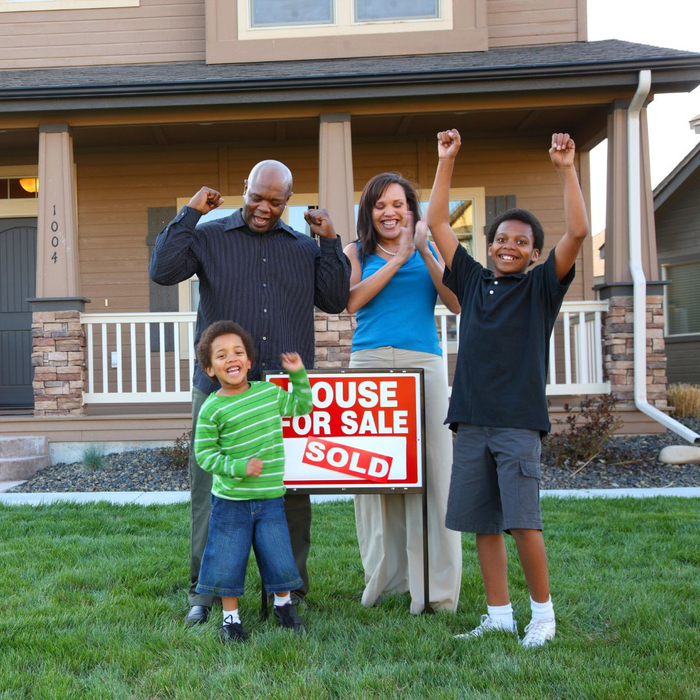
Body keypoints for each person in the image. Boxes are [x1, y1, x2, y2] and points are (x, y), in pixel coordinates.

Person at [149, 160, 350, 625]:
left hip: (282, 389)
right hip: (221, 389)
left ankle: (290, 588)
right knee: (212, 492)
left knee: (291, 490)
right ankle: (206, 591)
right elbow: (162, 271)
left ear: (289, 200)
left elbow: (336, 299)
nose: (264, 208)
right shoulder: (209, 235)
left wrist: (329, 240)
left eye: (276, 202)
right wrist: (190, 214)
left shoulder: (304, 247)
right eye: (257, 197)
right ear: (245, 188)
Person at [426, 129, 588, 647]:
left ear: (536, 253)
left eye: (521, 241)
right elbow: (434, 223)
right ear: (487, 245)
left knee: (523, 523)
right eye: (501, 239)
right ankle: (499, 614)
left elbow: (579, 232)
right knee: (484, 525)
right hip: (470, 421)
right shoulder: (471, 280)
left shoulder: (541, 288)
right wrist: (446, 160)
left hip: (518, 423)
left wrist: (566, 168)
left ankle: (543, 616)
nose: (509, 246)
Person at [343, 172, 463, 614]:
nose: (389, 212)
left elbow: (454, 301)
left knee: (435, 476)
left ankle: (436, 592)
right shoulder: (356, 251)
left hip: (424, 364)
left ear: (411, 210)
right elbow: (352, 301)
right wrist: (397, 259)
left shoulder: (429, 247)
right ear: (369, 213)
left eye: (398, 204)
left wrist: (424, 250)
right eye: (379, 205)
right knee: (373, 478)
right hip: (370, 365)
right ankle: (385, 582)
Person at [194, 320, 311, 642]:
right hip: (230, 502)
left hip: (271, 498)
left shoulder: (269, 394)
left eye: (238, 352)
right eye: (221, 355)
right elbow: (205, 455)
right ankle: (230, 619)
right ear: (209, 369)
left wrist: (298, 374)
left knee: (279, 555)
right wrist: (238, 466)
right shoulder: (212, 408)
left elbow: (302, 407)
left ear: (249, 361)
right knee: (227, 559)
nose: (231, 359)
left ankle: (284, 606)